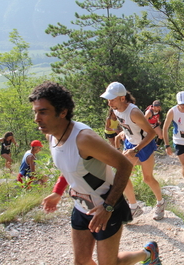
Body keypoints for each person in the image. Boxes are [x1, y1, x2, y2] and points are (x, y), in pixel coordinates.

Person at [30, 81, 161, 265]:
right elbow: (70, 167)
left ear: (62, 112)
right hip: (81, 207)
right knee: (81, 262)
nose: (37, 118)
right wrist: (57, 192)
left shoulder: (84, 139)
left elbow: (124, 165)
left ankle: (148, 254)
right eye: (35, 112)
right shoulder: (51, 135)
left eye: (43, 112)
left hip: (106, 207)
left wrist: (107, 207)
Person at [101, 81, 166, 221]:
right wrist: (123, 135)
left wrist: (136, 150)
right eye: (108, 99)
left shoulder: (134, 112)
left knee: (147, 178)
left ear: (122, 98)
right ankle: (133, 207)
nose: (109, 103)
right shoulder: (115, 110)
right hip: (130, 144)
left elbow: (151, 133)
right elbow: (128, 126)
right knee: (121, 176)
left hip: (144, 145)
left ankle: (161, 203)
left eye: (112, 99)